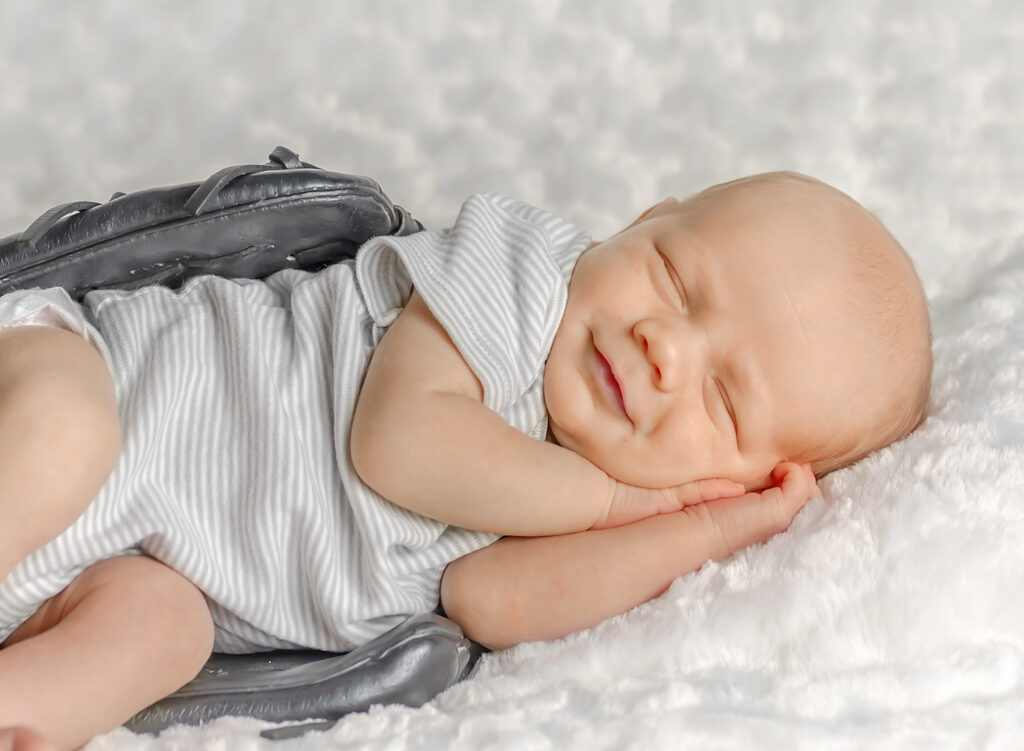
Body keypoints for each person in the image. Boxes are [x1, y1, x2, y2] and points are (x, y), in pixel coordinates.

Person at [0, 171, 931, 750]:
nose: (666, 348)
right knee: (67, 436)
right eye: (675, 279)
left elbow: (491, 602)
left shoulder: (565, 520)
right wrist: (605, 500)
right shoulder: (525, 278)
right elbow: (399, 441)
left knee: (162, 630)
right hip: (79, 374)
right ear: (645, 217)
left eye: (721, 400)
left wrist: (703, 530)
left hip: (105, 566)